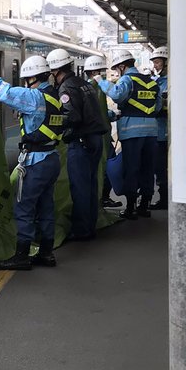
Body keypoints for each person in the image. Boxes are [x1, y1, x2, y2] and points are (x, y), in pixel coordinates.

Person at [0, 54, 63, 270]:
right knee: (46, 206)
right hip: (51, 159)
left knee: (24, 207)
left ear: (31, 78)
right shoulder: (54, 96)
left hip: (36, 162)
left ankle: (22, 255)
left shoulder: (35, 97)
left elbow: (7, 94)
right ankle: (47, 253)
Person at [46, 48, 107, 241]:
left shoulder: (66, 88)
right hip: (95, 140)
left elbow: (71, 116)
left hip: (81, 142)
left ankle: (81, 230)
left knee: (80, 187)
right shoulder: (83, 84)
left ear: (56, 72)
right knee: (90, 184)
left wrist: (56, 124)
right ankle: (90, 225)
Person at [97, 47, 158, 220]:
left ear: (122, 66)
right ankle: (144, 206)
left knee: (132, 168)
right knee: (148, 169)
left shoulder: (127, 80)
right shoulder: (152, 82)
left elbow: (116, 94)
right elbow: (158, 106)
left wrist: (101, 81)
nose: (117, 71)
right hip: (152, 131)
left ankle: (130, 207)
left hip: (132, 133)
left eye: (117, 68)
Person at [83, 54, 121, 210]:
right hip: (101, 134)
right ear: (95, 72)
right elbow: (100, 112)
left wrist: (112, 115)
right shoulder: (96, 88)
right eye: (102, 71)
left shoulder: (86, 87)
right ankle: (103, 197)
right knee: (108, 165)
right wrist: (112, 115)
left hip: (93, 133)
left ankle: (99, 198)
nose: (105, 74)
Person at [150, 46, 169, 208]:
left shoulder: (172, 81)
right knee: (160, 167)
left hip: (167, 133)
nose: (155, 65)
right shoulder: (157, 82)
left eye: (157, 62)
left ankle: (166, 199)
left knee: (163, 168)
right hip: (159, 132)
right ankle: (164, 198)